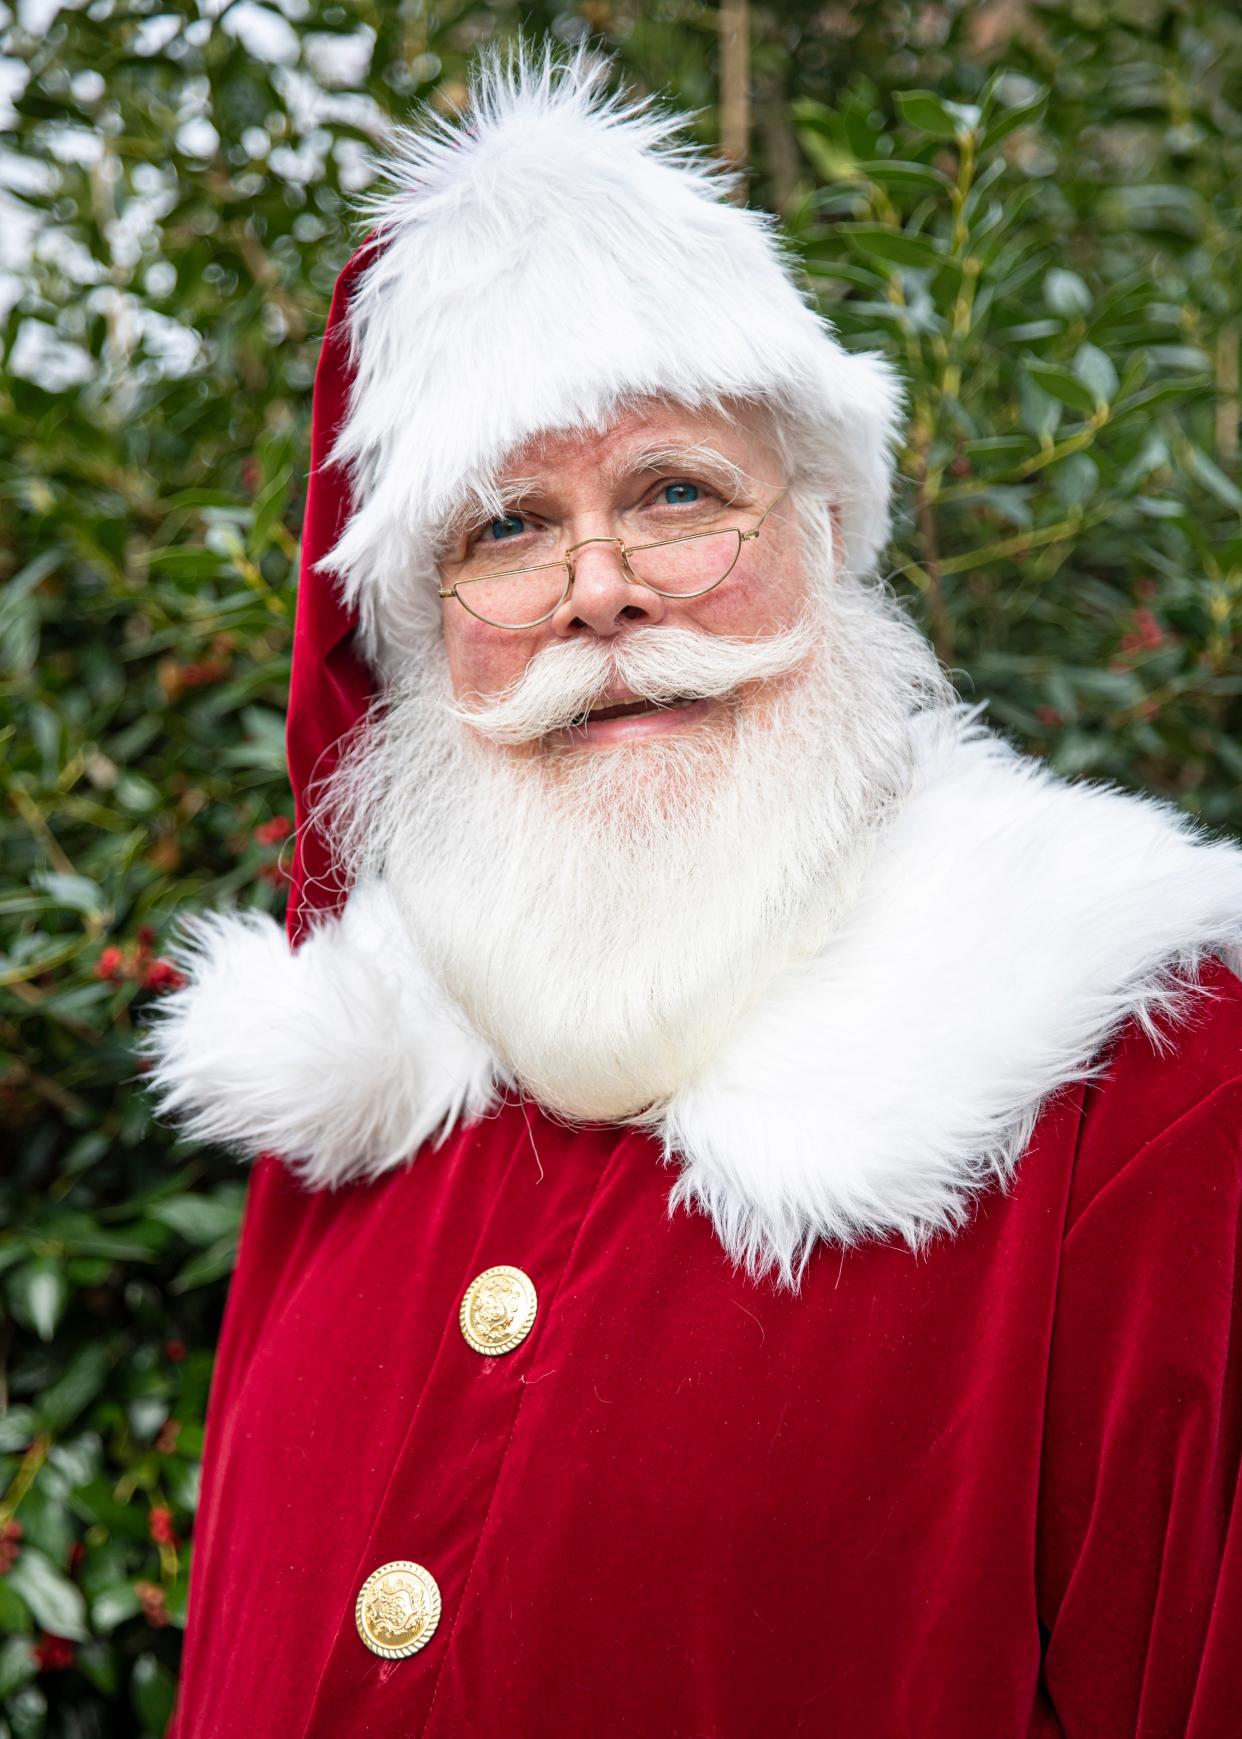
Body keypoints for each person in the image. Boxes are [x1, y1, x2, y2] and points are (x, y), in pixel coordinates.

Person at [147, 51, 1242, 1739]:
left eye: (676, 494)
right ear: (423, 631)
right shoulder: (370, 1093)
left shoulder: (1145, 1066)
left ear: (819, 531)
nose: (599, 592)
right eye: (506, 527)